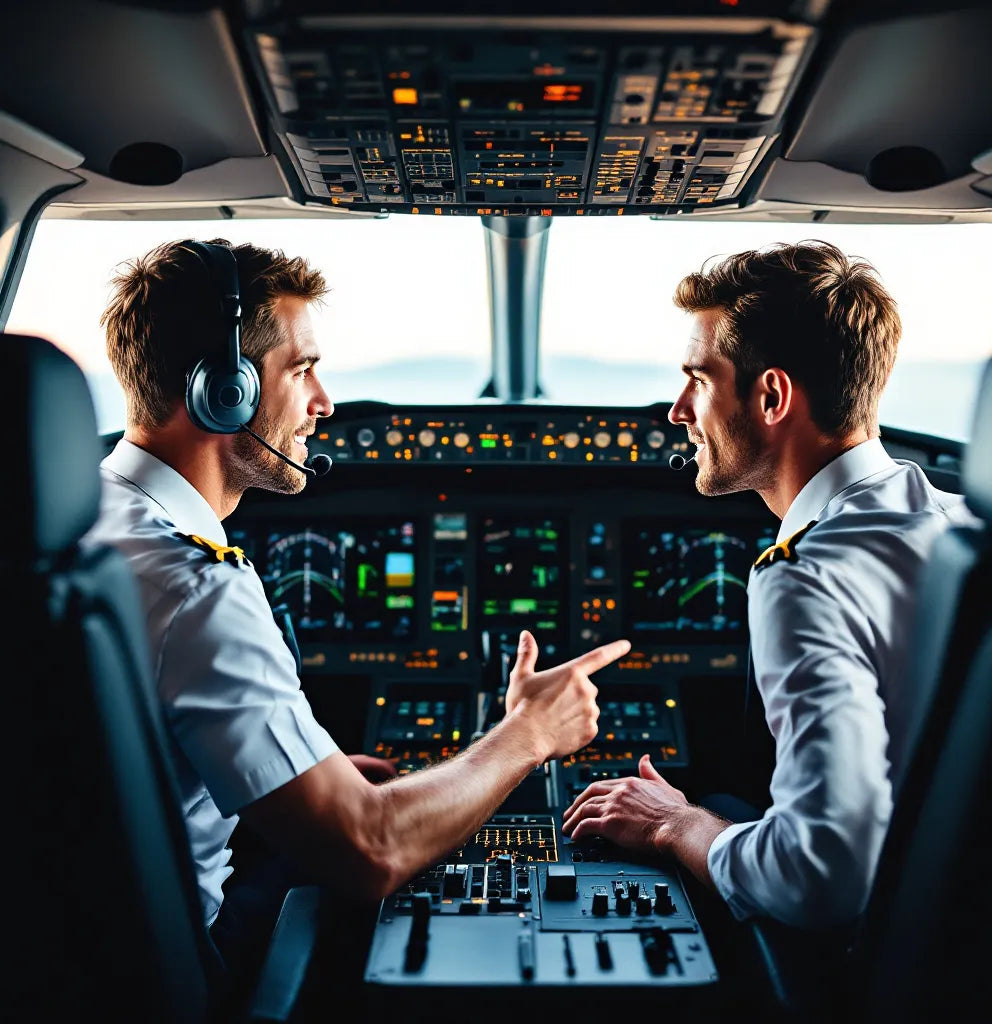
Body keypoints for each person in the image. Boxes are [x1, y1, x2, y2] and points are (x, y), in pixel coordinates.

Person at [87, 237, 630, 1010]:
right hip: (164, 976)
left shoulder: (75, 527)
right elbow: (371, 849)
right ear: (222, 392)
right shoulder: (196, 585)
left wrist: (310, 770)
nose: (324, 403)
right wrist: (529, 734)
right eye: (301, 369)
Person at [562, 240, 975, 931]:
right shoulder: (966, 522)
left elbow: (818, 874)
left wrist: (674, 825)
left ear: (772, 395)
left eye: (699, 379)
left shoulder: (806, 576)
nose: (677, 411)